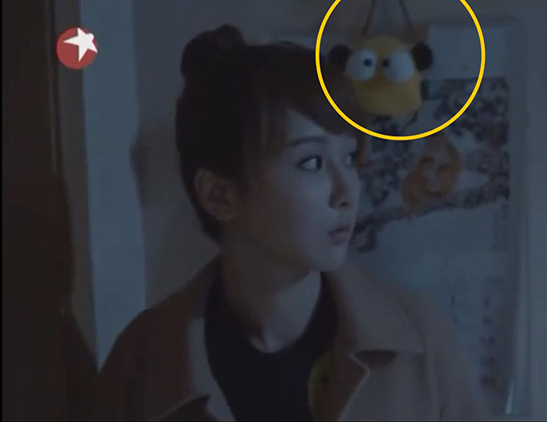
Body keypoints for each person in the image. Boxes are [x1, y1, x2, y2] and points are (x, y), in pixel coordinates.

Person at [96, 24, 492, 421]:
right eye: (312, 162)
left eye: (349, 157)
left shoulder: (422, 342)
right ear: (220, 195)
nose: (346, 191)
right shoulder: (142, 361)